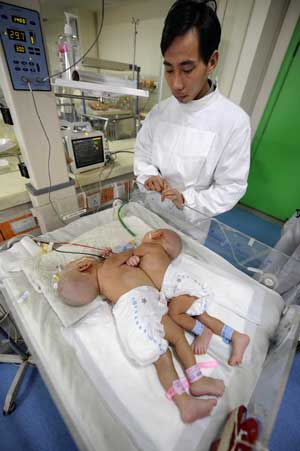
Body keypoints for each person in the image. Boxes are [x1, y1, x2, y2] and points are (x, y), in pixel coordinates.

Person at [57, 250, 225, 423]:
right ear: (84, 266)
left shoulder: (105, 288)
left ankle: (187, 396)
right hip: (139, 304)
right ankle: (194, 384)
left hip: (144, 305)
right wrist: (118, 254)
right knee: (176, 340)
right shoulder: (108, 265)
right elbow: (130, 250)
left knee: (163, 355)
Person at [134, 0, 250, 220]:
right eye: (169, 70)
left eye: (187, 69)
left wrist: (186, 201)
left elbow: (230, 187)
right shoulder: (159, 113)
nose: (176, 84)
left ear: (212, 61)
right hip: (148, 214)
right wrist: (149, 177)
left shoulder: (234, 121)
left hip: (190, 225)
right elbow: (142, 156)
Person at [127, 228, 250, 365]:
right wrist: (135, 260)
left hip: (181, 286)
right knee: (201, 316)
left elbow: (128, 258)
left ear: (156, 235)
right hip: (183, 287)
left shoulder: (148, 247)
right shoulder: (158, 255)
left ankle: (203, 331)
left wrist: (131, 258)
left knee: (175, 313)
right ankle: (236, 336)